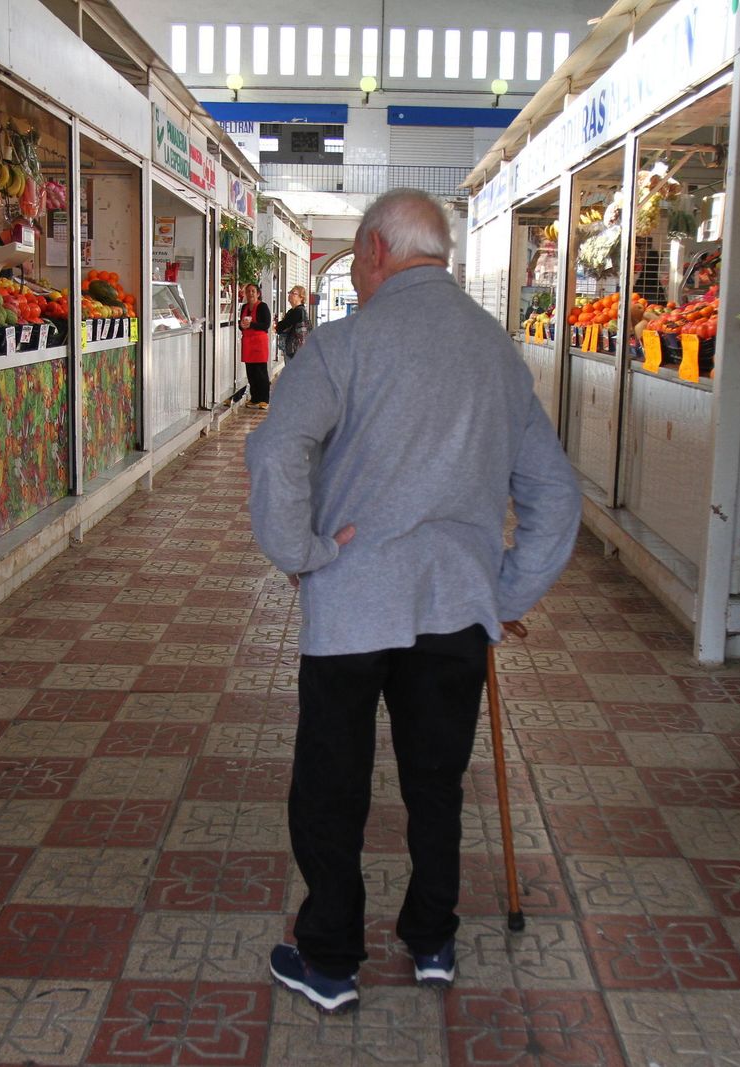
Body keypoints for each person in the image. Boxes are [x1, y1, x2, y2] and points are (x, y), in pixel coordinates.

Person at [246, 189, 582, 1014]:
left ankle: (329, 957)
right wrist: (504, 592)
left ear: (372, 251)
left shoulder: (342, 345)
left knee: (333, 786)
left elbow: (277, 446)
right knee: (437, 780)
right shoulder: (497, 353)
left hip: (352, 607)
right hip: (454, 610)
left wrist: (301, 553)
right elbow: (555, 495)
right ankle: (432, 938)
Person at [239, 283, 272, 408]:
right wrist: (242, 325)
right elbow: (240, 324)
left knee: (261, 372)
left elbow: (266, 325)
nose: (250, 294)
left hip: (259, 342)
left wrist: (251, 325)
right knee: (251, 372)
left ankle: (264, 399)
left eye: (253, 291)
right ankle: (255, 398)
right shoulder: (244, 307)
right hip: (248, 342)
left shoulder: (263, 306)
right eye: (248, 291)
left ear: (258, 293)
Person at [274, 284, 311, 361]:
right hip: (294, 350)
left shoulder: (298, 311)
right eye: (289, 292)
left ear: (301, 297)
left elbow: (282, 326)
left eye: (293, 293)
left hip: (295, 351)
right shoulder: (293, 311)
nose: (290, 295)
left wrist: (278, 326)